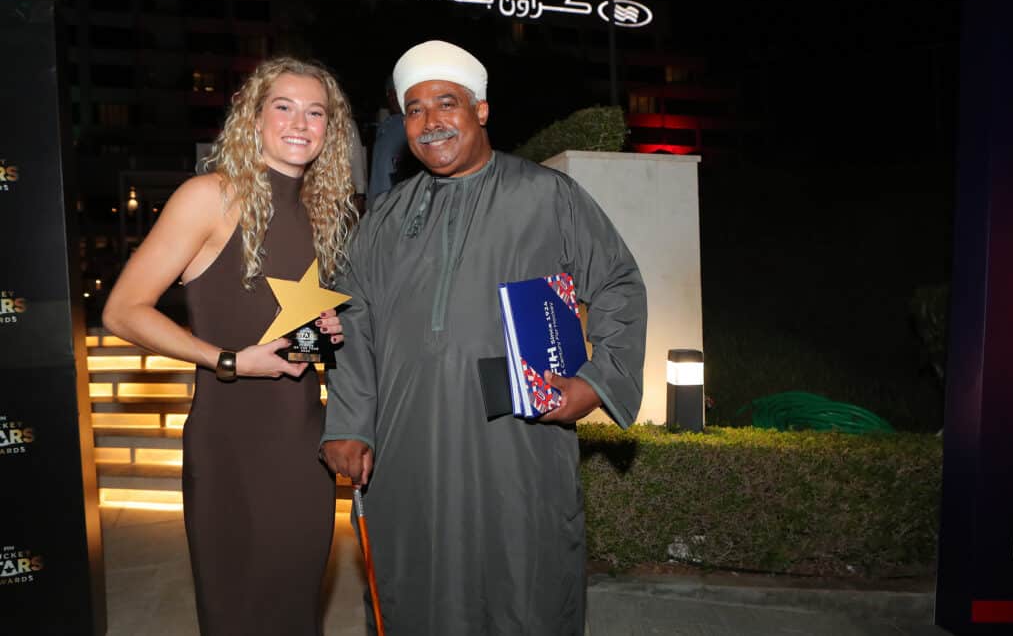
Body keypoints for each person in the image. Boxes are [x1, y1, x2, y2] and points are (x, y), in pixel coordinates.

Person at [320, 40, 647, 635]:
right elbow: (352, 319)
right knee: (415, 586)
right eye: (414, 110)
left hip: (515, 445)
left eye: (447, 103)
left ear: (482, 110)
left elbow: (619, 284)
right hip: (406, 441)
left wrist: (596, 383)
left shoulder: (546, 195)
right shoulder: (385, 220)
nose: (430, 122)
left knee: (524, 583)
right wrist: (348, 424)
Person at [102, 57, 359, 635]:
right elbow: (122, 311)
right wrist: (228, 360)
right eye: (284, 107)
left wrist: (326, 334)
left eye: (316, 112)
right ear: (255, 117)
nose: (300, 122)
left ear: (330, 128)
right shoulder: (211, 196)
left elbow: (286, 322)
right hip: (233, 445)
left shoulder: (323, 211)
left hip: (304, 447)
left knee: (295, 608)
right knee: (239, 611)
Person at [366, 76, 411, 206]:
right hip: (378, 204)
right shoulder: (385, 126)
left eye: (397, 93)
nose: (393, 98)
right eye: (390, 94)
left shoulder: (412, 126)